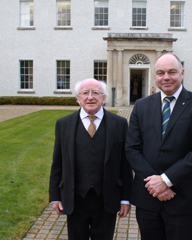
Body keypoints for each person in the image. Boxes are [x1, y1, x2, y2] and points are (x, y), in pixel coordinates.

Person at [125, 53, 192, 240]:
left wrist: (166, 180)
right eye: (160, 73)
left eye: (172, 72)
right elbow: (132, 149)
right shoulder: (141, 106)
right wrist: (155, 184)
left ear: (182, 73)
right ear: (155, 76)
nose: (166, 77)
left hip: (183, 197)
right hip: (148, 198)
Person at [49, 78, 133, 240]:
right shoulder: (63, 124)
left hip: (106, 198)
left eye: (96, 93)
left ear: (104, 98)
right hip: (75, 198)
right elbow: (57, 162)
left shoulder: (120, 124)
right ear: (78, 98)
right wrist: (55, 196)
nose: (90, 97)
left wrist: (125, 198)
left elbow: (125, 164)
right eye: (85, 93)